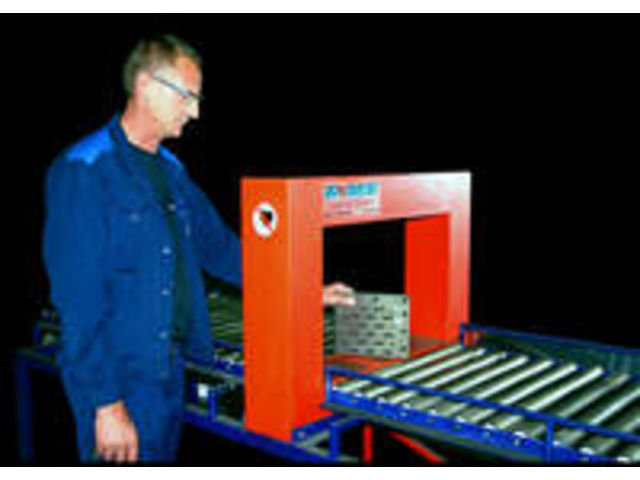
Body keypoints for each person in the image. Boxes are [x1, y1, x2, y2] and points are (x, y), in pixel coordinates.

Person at [43, 34, 355, 464]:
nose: (195, 111)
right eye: (187, 96)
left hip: (169, 369)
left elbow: (222, 250)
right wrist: (107, 405)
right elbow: (78, 303)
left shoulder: (172, 172)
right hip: (120, 377)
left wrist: (304, 290)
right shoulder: (85, 170)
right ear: (146, 85)